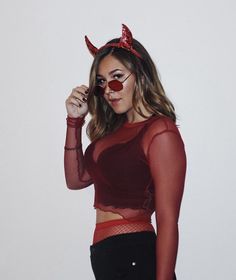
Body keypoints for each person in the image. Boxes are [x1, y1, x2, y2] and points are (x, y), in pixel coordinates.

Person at [64, 24, 187, 280]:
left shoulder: (159, 131)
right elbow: (75, 180)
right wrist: (74, 121)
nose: (108, 89)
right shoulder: (110, 133)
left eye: (117, 78)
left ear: (140, 75)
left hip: (135, 255)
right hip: (105, 256)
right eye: (101, 83)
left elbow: (167, 221)